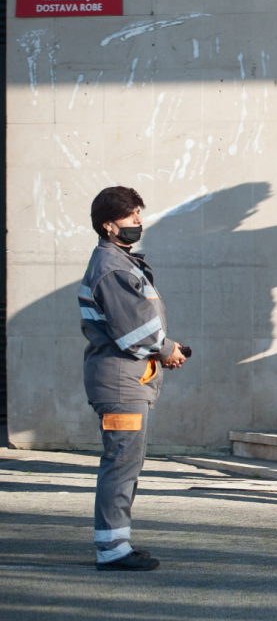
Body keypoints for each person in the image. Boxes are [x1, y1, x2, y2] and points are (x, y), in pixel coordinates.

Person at [80, 187, 187, 571]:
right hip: (121, 384)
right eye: (130, 216)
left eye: (139, 213)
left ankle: (116, 545)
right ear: (108, 225)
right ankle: (112, 551)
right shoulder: (112, 267)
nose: (138, 221)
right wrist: (167, 349)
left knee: (124, 464)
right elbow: (136, 332)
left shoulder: (120, 262)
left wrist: (164, 349)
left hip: (126, 380)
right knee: (121, 464)